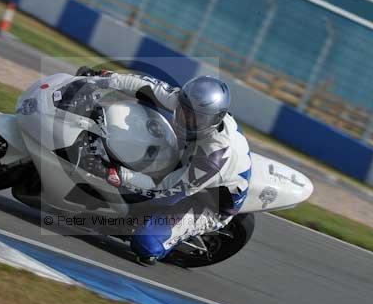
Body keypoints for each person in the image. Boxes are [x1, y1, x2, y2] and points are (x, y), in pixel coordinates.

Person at [75, 67, 252, 265]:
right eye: (185, 111)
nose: (186, 120)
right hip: (187, 159)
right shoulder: (186, 103)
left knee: (145, 245)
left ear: (214, 120)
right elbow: (147, 86)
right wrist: (104, 78)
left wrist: (114, 173)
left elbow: (166, 191)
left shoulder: (212, 159)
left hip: (207, 202)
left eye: (197, 118)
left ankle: (163, 240)